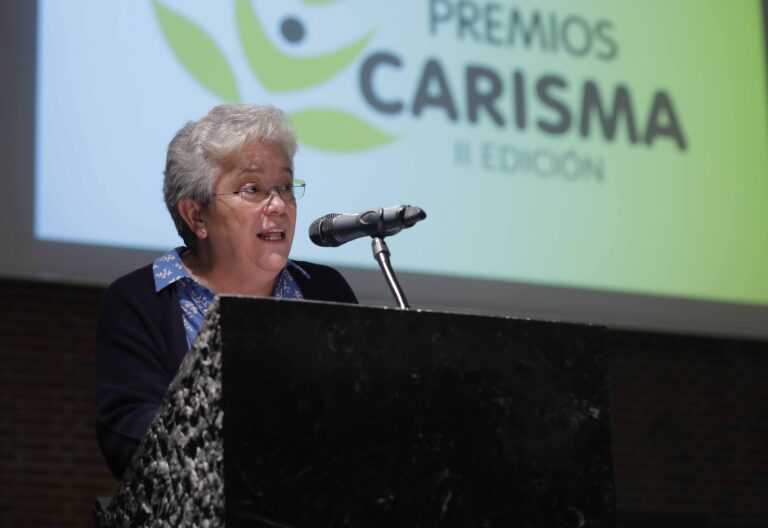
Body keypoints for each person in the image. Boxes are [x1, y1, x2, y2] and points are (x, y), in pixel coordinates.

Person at [95, 104, 357, 479]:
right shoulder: (140, 301)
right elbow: (130, 436)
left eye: (285, 186)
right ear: (196, 216)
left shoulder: (325, 290)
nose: (279, 205)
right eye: (253, 189)